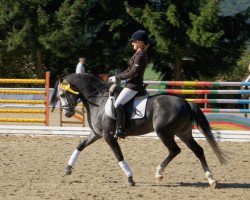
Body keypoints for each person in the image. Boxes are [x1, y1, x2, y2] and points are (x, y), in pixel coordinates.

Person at [108, 30, 149, 138]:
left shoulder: (140, 55)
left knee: (118, 104)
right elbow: (127, 70)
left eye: (134, 41)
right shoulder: (137, 54)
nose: (132, 43)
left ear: (140, 42)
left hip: (134, 86)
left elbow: (132, 73)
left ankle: (121, 129)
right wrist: (115, 77)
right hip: (130, 84)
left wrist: (117, 77)